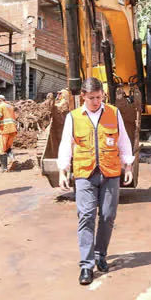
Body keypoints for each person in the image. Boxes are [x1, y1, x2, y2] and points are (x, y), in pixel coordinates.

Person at [58, 78, 134, 285]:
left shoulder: (113, 113)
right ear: (83, 95)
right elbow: (67, 144)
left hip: (109, 172)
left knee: (108, 215)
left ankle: (101, 253)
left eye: (99, 97)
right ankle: (86, 265)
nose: (95, 101)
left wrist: (128, 165)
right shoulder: (73, 117)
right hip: (84, 173)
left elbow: (123, 140)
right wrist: (63, 170)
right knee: (86, 216)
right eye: (91, 98)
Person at [0, 95, 18, 172]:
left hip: (4, 130)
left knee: (1, 148)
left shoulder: (0, 106)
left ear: (0, 100)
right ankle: (12, 159)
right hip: (13, 130)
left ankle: (4, 168)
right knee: (7, 147)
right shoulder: (10, 107)